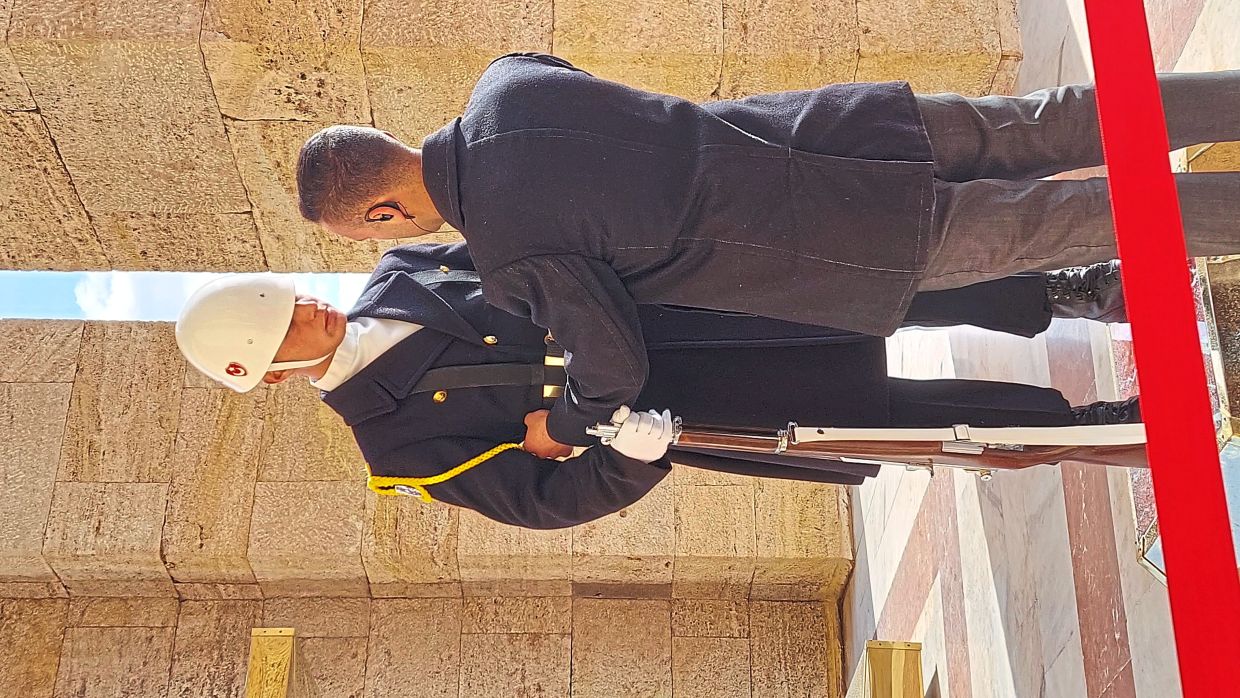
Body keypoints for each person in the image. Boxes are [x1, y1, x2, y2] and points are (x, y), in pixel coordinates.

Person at [292, 55, 1226, 453]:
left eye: (373, 232)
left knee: (1105, 219)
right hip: (840, 130)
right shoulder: (507, 81)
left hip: (843, 239)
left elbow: (613, 363)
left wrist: (568, 425)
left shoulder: (510, 256)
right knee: (1062, 119)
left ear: (381, 211)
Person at [175, 243, 1139, 530]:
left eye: (289, 298)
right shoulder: (395, 446)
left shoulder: (400, 272)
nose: (309, 310)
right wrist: (629, 463)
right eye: (285, 326)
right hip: (689, 407)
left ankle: (1072, 293)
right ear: (273, 374)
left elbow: (530, 255)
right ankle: (1099, 426)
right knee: (906, 422)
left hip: (682, 315)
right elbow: (540, 501)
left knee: (884, 290)